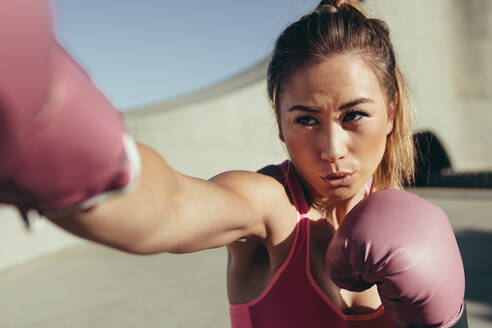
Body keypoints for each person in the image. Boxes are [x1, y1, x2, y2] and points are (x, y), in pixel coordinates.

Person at [0, 0, 467, 327]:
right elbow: (172, 207)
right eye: (306, 119)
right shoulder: (270, 207)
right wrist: (44, 122)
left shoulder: (410, 224)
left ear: (391, 108)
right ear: (279, 123)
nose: (331, 147)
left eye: (354, 115)